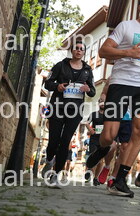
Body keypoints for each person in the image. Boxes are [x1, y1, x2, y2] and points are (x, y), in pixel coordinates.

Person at [86, 0, 140, 198]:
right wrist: (127, 52)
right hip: (121, 82)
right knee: (108, 136)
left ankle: (119, 179)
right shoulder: (126, 27)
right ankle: (102, 149)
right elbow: (104, 51)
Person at [42, 40, 95, 188]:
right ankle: (49, 160)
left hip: (75, 111)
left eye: (81, 49)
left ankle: (56, 175)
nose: (78, 50)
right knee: (53, 141)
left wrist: (88, 89)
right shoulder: (60, 65)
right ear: (72, 50)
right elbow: (47, 83)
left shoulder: (87, 70)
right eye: (76, 48)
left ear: (84, 52)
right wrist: (57, 86)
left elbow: (92, 91)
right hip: (58, 108)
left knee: (65, 142)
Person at [86, 99, 106, 185]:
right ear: (98, 104)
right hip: (94, 138)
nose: (102, 104)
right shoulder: (93, 114)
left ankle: (95, 178)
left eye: (104, 102)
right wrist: (90, 129)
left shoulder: (108, 115)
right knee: (93, 156)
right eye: (101, 102)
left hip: (103, 139)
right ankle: (90, 170)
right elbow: (87, 123)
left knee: (101, 160)